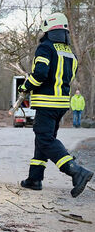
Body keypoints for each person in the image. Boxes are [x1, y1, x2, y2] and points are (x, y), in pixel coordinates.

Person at [18, 12, 93, 197]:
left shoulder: (45, 48)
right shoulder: (70, 53)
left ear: (48, 30)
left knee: (45, 139)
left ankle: (75, 170)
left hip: (46, 103)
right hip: (61, 104)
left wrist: (25, 85)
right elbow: (67, 77)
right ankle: (34, 179)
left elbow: (41, 74)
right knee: (44, 139)